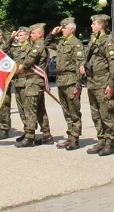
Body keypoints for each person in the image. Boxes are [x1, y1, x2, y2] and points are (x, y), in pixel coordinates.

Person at [82, 14, 114, 156]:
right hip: (92, 82)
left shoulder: (107, 42)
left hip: (103, 82)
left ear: (100, 26)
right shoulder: (93, 41)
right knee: (96, 114)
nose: (91, 26)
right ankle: (101, 139)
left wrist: (110, 84)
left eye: (94, 24)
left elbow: (113, 64)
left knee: (106, 113)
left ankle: (110, 142)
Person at [48, 18, 84, 150]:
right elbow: (47, 43)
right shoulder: (61, 43)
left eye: (64, 28)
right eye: (61, 28)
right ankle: (70, 136)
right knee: (66, 111)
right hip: (61, 81)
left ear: (72, 30)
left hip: (71, 80)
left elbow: (80, 65)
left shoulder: (76, 44)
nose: (62, 30)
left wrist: (78, 85)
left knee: (74, 111)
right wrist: (53, 33)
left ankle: (75, 138)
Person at [16, 23, 51, 147]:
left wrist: (22, 66)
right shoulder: (37, 44)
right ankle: (46, 135)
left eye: (33, 33)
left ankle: (29, 137)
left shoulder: (38, 45)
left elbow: (30, 59)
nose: (31, 35)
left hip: (33, 82)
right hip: (35, 82)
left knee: (30, 109)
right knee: (40, 110)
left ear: (40, 34)